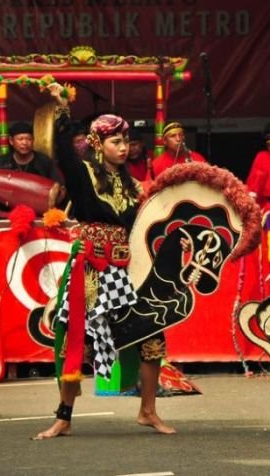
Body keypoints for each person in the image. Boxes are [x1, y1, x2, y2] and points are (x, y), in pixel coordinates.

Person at [33, 83, 175, 440]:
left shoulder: (131, 185)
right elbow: (63, 153)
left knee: (152, 333)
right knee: (74, 340)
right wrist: (63, 109)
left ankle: (148, 411)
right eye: (116, 142)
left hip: (126, 269)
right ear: (98, 144)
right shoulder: (83, 173)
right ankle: (63, 417)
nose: (124, 148)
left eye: (126, 142)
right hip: (91, 268)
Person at [0, 121, 64, 184]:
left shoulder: (44, 161)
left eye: (29, 139)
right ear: (11, 141)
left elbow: (59, 185)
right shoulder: (1, 162)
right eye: (20, 139)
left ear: (33, 140)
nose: (25, 143)